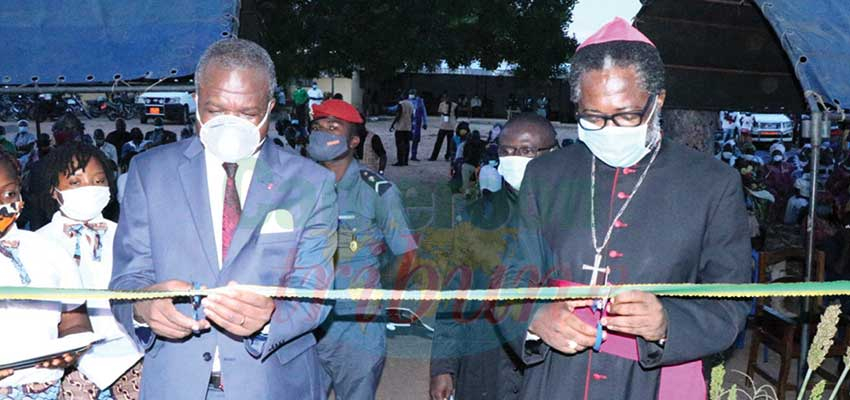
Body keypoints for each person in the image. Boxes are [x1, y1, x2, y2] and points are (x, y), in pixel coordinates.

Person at [497, 18, 750, 399]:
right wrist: (533, 318)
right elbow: (510, 277)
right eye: (593, 117)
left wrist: (668, 323)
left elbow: (731, 305)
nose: (610, 129)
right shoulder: (545, 175)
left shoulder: (713, 184)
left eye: (627, 115)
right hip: (559, 378)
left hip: (657, 380)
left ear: (657, 101)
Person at [109, 38, 338, 400]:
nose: (230, 125)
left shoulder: (311, 183)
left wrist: (269, 320)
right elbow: (128, 277)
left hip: (274, 384)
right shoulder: (149, 173)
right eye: (215, 110)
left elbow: (316, 294)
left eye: (247, 114)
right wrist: (142, 307)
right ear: (197, 103)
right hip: (176, 384)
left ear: (270, 108)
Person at [430, 113, 557, 400]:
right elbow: (454, 297)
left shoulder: (574, 219)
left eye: (526, 151)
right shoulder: (475, 217)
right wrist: (443, 366)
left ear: (553, 153)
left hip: (550, 363)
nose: (514, 158)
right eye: (506, 150)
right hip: (484, 362)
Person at [307, 99, 417, 400]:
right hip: (303, 322)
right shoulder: (298, 186)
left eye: (333, 126)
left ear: (354, 140)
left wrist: (390, 300)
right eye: (317, 126)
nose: (321, 132)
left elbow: (406, 254)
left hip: (358, 325)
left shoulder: (377, 191)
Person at [36, 142, 142, 399]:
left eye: (98, 181)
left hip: (130, 351)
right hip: (69, 357)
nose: (90, 190)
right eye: (75, 183)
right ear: (54, 191)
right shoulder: (39, 243)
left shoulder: (127, 235)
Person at [0, 150, 93, 400]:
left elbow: (75, 321)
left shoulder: (49, 251)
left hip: (44, 390)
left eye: (8, 193)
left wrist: (71, 347)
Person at [429, 95, 457, 161]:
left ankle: (447, 156)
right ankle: (435, 156)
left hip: (449, 126)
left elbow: (456, 115)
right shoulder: (442, 104)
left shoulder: (454, 105)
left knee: (448, 143)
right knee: (439, 143)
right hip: (444, 126)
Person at [389, 96, 414, 166]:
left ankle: (400, 161)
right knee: (407, 144)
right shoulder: (411, 104)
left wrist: (392, 124)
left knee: (399, 145)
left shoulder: (401, 104)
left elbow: (398, 115)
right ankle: (406, 161)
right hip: (408, 127)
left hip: (400, 127)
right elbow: (412, 116)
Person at [409, 89, 428, 162]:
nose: (411, 95)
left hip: (417, 123)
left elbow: (424, 112)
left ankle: (414, 155)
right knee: (406, 139)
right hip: (408, 123)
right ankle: (404, 155)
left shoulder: (420, 101)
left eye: (412, 93)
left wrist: (425, 122)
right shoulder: (407, 101)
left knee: (415, 140)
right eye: (410, 93)